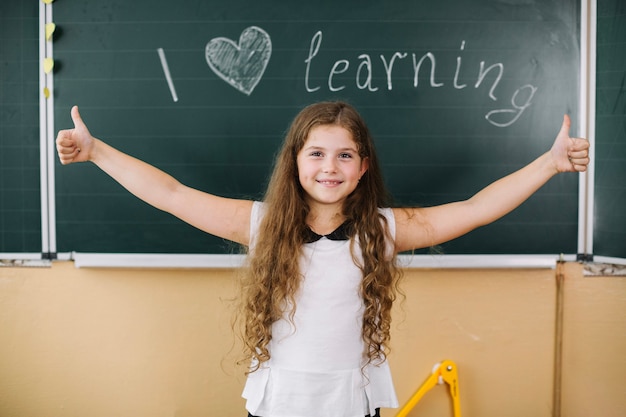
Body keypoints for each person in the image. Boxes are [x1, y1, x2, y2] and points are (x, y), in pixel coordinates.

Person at [56, 101, 589, 417]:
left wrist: (548, 163)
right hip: (277, 401)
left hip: (351, 402)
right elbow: (171, 193)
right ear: (295, 162)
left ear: (362, 167)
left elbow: (475, 208)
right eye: (316, 153)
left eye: (343, 155)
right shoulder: (262, 224)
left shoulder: (384, 230)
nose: (328, 167)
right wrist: (97, 150)